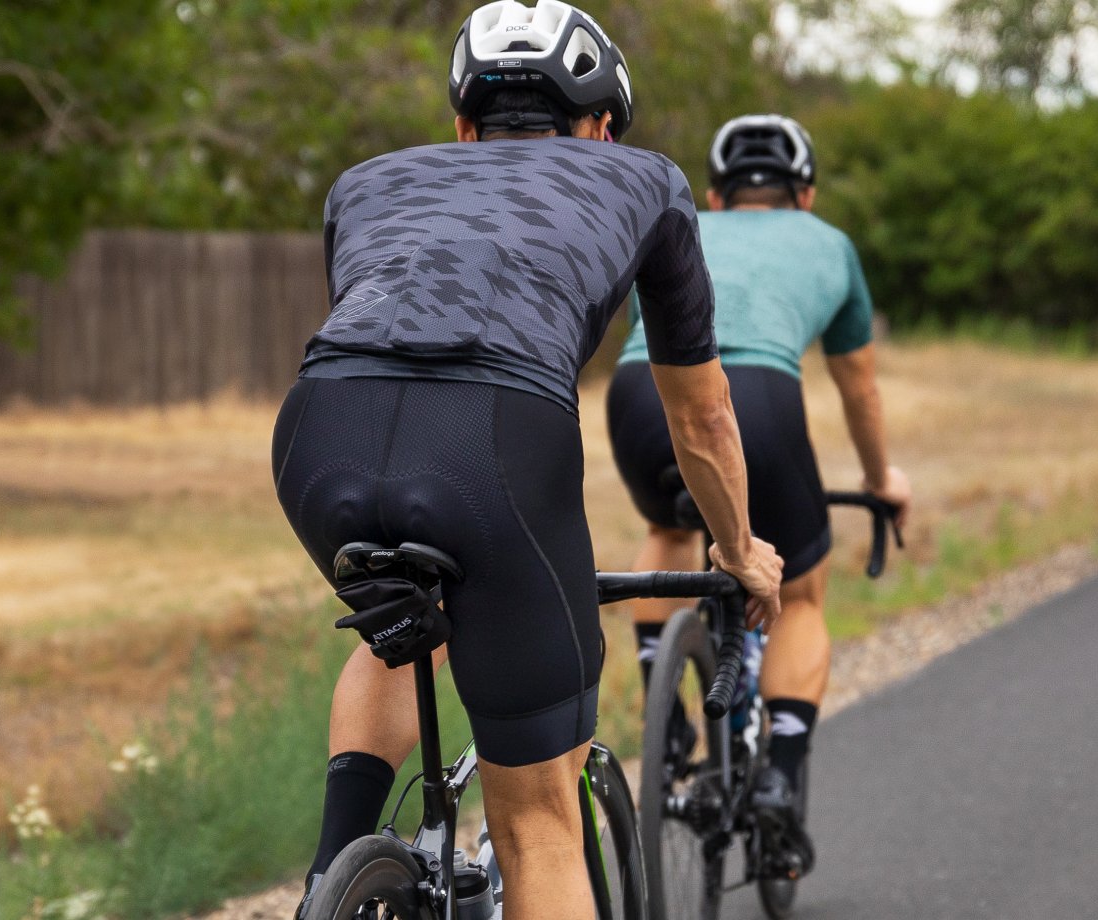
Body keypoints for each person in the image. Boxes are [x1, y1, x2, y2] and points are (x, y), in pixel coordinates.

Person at [270, 4, 784, 918]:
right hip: (495, 442)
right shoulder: (646, 180)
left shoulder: (361, 183)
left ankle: (330, 876)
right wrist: (738, 549)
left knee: (397, 625)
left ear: (464, 125)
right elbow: (701, 416)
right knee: (540, 817)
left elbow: (378, 333)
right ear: (601, 127)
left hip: (318, 433)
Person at [606, 113, 912, 870]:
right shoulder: (831, 243)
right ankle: (779, 775)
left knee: (670, 533)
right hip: (760, 400)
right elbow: (861, 389)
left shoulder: (679, 222)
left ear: (714, 193)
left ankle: (665, 710)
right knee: (801, 592)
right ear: (804, 194)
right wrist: (881, 482)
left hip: (639, 395)